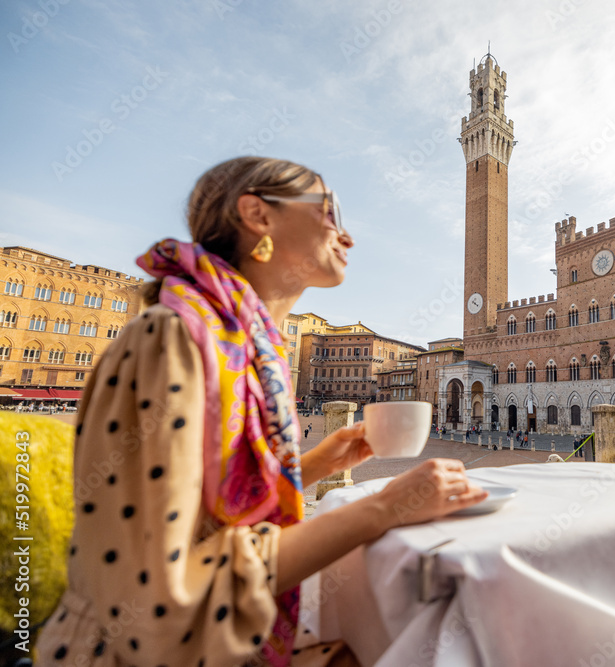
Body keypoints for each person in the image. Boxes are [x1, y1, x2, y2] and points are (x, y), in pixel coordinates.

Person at [37, 157, 487, 667]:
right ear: (257, 215)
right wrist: (385, 508)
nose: (347, 236)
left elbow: (213, 512)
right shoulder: (172, 341)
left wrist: (313, 464)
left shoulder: (245, 345)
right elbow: (161, 599)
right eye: (330, 209)